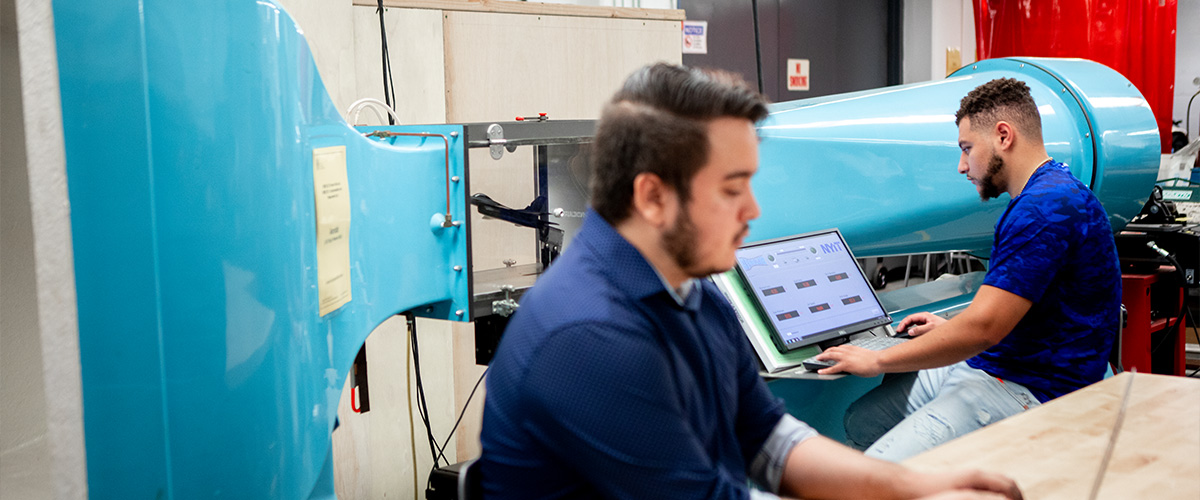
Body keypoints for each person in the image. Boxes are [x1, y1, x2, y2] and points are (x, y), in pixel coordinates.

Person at [477, 63, 1023, 500]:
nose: (753, 209)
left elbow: (770, 441)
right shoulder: (586, 337)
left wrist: (917, 486)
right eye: (732, 188)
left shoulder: (697, 296)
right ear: (652, 197)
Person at [816, 78, 1123, 462]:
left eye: (966, 149)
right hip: (1012, 361)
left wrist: (875, 359)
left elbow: (984, 327)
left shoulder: (1042, 209)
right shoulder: (1056, 189)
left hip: (1032, 388)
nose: (962, 166)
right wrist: (950, 331)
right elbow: (1019, 313)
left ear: (1003, 136)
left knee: (877, 470)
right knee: (864, 420)